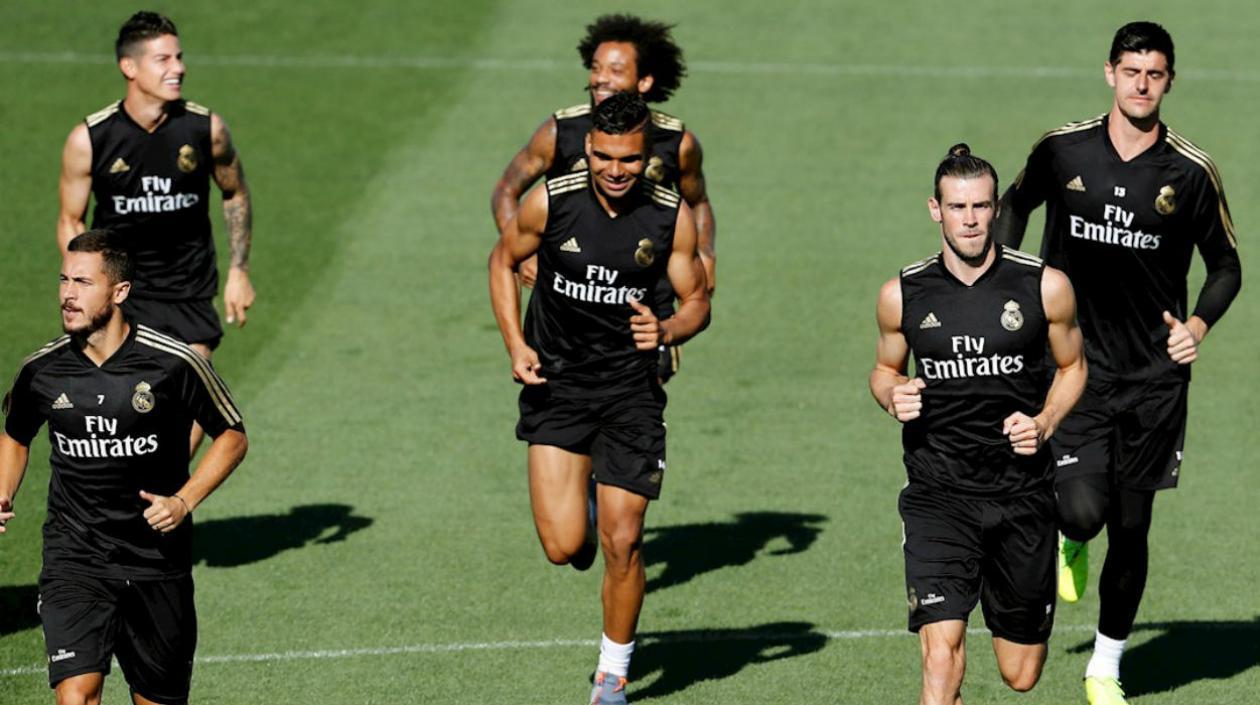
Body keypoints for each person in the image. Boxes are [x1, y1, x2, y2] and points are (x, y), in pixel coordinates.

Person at [992, 22, 1242, 705]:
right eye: (1131, 71)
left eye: (1154, 73)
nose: (1141, 84)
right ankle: (1071, 539)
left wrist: (1197, 325)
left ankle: (1105, 667)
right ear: (1109, 73)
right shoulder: (1063, 148)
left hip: (1154, 381)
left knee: (1132, 527)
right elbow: (1014, 204)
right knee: (1081, 513)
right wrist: (1010, 285)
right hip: (1075, 367)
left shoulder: (1191, 172)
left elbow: (1226, 266)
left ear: (1170, 81)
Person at [488, 93, 709, 705]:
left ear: (646, 154)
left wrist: (668, 330)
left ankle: (612, 676)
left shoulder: (669, 216)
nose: (616, 170)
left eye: (629, 159)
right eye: (605, 157)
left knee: (624, 540)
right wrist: (515, 345)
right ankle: (583, 503)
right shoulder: (551, 201)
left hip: (631, 393)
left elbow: (697, 301)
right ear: (588, 148)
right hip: (557, 384)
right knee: (564, 547)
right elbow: (502, 262)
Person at [870, 145, 1086, 705]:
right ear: (935, 210)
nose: (970, 219)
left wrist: (1044, 422)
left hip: (1021, 494)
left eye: (981, 206)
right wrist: (893, 394)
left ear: (995, 210)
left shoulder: (1044, 286)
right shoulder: (902, 294)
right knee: (941, 659)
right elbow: (884, 370)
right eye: (957, 206)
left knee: (1021, 673)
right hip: (939, 493)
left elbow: (1073, 367)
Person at [0, 230, 248, 705]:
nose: (68, 294)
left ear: (120, 292)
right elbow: (15, 434)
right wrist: (4, 489)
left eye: (83, 282)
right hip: (75, 557)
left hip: (157, 563)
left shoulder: (173, 363)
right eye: (64, 280)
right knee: (77, 694)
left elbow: (233, 436)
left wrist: (183, 501)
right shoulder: (41, 371)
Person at [56, 11, 256, 454]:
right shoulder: (91, 138)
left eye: (179, 57)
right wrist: (82, 286)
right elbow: (71, 220)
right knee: (124, 414)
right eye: (163, 59)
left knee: (190, 400)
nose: (178, 68)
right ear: (129, 67)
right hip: (124, 294)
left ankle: (166, 486)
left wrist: (239, 270)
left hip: (189, 291)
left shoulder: (205, 129)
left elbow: (234, 192)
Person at [490, 13, 715, 383]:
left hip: (644, 291)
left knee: (639, 393)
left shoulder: (678, 142)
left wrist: (705, 253)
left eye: (614, 70)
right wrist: (525, 252)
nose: (599, 78)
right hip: (571, 295)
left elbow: (698, 201)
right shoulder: (560, 131)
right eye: (595, 68)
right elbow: (506, 191)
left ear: (644, 81)